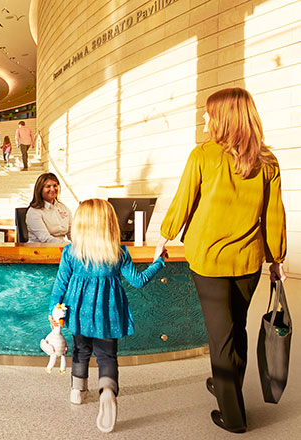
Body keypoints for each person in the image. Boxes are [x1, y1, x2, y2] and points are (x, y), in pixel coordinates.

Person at [154, 87, 286, 434]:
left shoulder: (202, 156)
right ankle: (225, 383)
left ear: (224, 118)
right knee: (235, 328)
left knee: (221, 337)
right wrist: (277, 258)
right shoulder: (267, 161)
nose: (204, 117)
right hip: (248, 261)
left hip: (209, 259)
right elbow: (273, 216)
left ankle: (233, 415)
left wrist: (165, 235)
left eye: (208, 112)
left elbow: (183, 200)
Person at [50, 198, 165, 433]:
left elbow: (60, 286)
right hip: (108, 316)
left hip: (79, 315)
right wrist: (159, 262)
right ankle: (108, 391)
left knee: (80, 350)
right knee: (107, 357)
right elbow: (139, 281)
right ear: (109, 224)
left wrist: (54, 311)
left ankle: (77, 391)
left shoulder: (70, 253)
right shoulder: (118, 252)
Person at [26, 173, 72, 243]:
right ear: (40, 189)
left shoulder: (63, 208)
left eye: (55, 186)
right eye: (48, 186)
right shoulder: (34, 212)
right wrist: (68, 245)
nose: (52, 189)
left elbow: (71, 232)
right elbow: (45, 239)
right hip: (41, 250)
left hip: (62, 248)